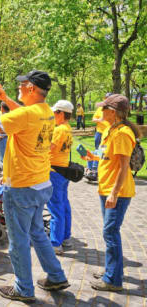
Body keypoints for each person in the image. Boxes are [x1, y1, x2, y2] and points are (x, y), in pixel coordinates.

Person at [0, 70, 69, 302]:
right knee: (37, 233)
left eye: (22, 85)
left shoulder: (29, 114)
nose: (18, 88)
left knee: (19, 240)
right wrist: (6, 100)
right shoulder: (46, 112)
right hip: (41, 184)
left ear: (31, 88)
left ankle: (23, 288)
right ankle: (56, 275)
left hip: (21, 186)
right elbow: (25, 115)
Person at [82, 94, 139, 292]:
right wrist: (92, 156)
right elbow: (107, 155)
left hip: (118, 191)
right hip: (106, 188)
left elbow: (124, 167)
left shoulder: (123, 133)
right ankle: (112, 270)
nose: (100, 112)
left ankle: (113, 280)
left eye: (103, 109)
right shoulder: (110, 129)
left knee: (110, 232)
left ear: (112, 112)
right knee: (109, 232)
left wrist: (114, 194)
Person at [48, 100, 74, 255]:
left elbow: (49, 148)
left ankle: (55, 243)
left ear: (61, 113)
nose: (52, 115)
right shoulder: (67, 128)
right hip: (63, 170)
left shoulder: (59, 130)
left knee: (55, 207)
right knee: (63, 204)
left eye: (55, 113)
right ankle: (66, 237)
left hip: (54, 171)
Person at [86, 93, 112, 181]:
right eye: (106, 98)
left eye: (108, 98)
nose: (106, 100)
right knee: (98, 150)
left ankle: (94, 169)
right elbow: (93, 119)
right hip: (99, 132)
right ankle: (91, 169)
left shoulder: (113, 110)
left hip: (108, 133)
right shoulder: (100, 109)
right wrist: (100, 120)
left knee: (101, 150)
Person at [0, 102, 10, 167]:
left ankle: (5, 172)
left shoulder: (2, 117)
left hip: (3, 138)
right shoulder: (11, 115)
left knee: (3, 157)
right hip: (9, 137)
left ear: (2, 108)